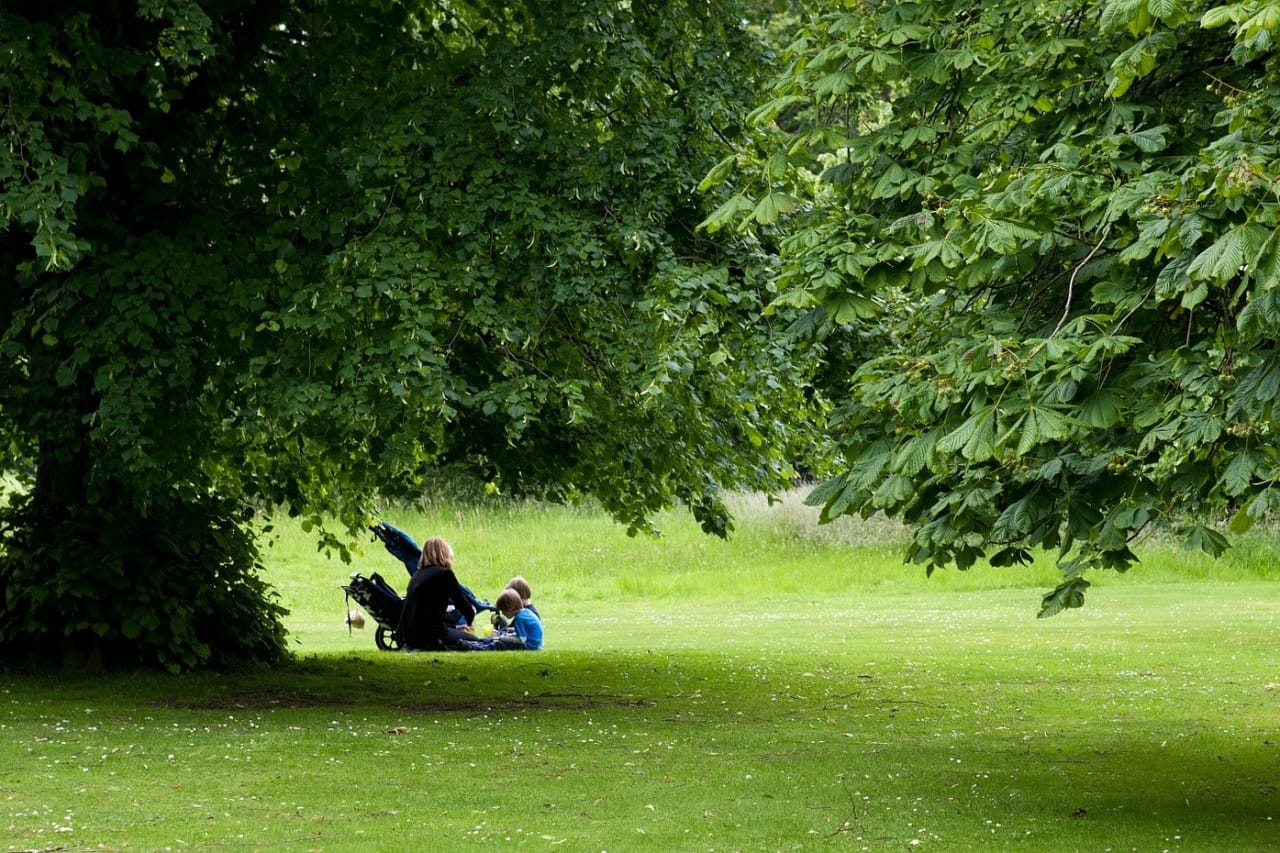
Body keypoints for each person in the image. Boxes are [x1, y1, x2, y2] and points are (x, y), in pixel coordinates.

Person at [397, 536, 477, 651]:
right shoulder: (444, 574)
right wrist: (469, 621)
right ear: (444, 554)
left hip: (411, 636)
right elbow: (462, 603)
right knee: (475, 642)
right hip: (431, 635)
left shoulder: (417, 575)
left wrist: (455, 627)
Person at [470, 588, 543, 651]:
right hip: (532, 643)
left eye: (503, 611)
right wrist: (513, 630)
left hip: (529, 646)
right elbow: (527, 630)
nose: (503, 614)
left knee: (500, 643)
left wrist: (502, 638)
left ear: (510, 609)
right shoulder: (525, 612)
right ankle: (478, 643)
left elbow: (521, 640)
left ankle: (475, 647)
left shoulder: (519, 618)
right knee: (500, 635)